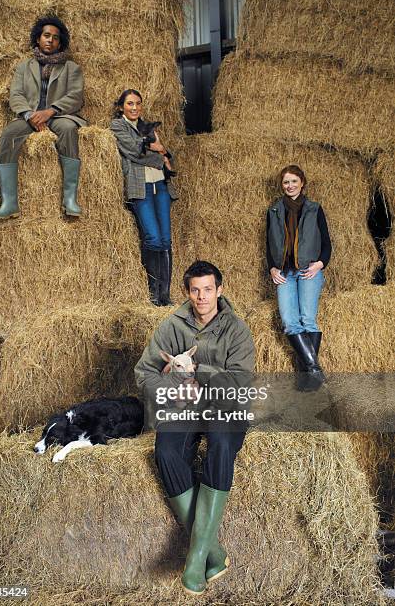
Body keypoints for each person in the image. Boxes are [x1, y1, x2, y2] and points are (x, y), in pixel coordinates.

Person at [135, 260, 254, 595]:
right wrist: (172, 389)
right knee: (166, 451)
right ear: (187, 292)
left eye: (208, 289)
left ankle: (196, 555)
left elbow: (240, 381)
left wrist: (200, 373)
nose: (202, 297)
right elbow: (143, 372)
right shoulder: (172, 326)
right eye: (195, 290)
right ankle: (213, 552)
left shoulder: (237, 330)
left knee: (221, 443)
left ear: (220, 290)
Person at [0, 15, 87, 221]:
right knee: (9, 134)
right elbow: (15, 95)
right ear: (38, 38)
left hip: (59, 115)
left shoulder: (71, 68)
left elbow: (75, 97)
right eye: (46, 35)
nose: (50, 40)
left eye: (55, 38)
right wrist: (28, 115)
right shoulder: (24, 67)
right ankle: (9, 203)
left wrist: (50, 111)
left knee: (69, 129)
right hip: (29, 116)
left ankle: (70, 199)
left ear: (61, 43)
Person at [266, 164, 332, 390]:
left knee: (307, 319)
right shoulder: (274, 211)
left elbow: (326, 243)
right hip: (284, 273)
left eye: (294, 181)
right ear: (281, 185)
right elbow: (269, 245)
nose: (290, 185)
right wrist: (272, 269)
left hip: (308, 271)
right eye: (286, 182)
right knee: (289, 322)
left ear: (302, 183)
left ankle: (308, 379)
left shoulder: (314, 209)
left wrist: (319, 264)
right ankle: (314, 370)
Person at [110, 89, 176, 306]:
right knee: (153, 238)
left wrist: (161, 150)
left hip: (161, 185)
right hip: (141, 188)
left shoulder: (147, 126)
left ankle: (165, 296)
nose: (135, 107)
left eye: (138, 103)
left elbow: (164, 152)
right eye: (130, 103)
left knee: (165, 240)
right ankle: (153, 294)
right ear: (121, 107)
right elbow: (131, 150)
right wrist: (158, 153)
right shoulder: (118, 126)